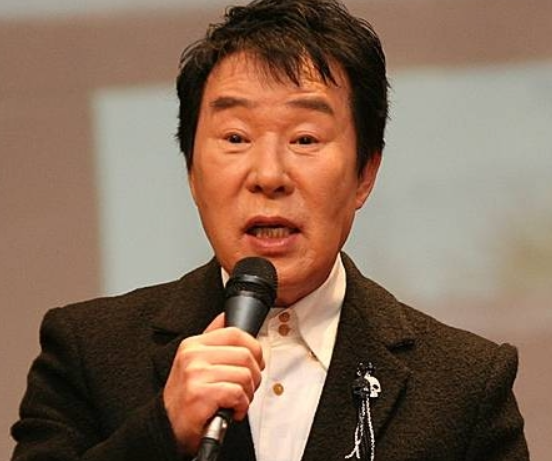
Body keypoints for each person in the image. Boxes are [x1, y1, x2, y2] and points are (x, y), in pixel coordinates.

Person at [11, 0, 529, 460]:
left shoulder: (464, 383)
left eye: (305, 139)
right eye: (235, 137)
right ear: (191, 171)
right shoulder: (87, 350)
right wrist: (162, 431)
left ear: (365, 174)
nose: (268, 175)